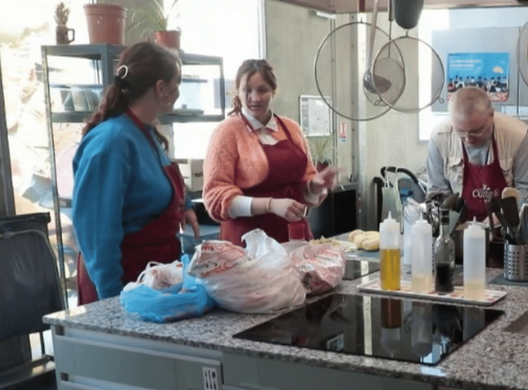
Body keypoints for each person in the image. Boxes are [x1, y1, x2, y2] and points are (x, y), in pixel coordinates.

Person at [72, 42, 199, 305]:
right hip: (122, 283)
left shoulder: (147, 133)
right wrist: (112, 302)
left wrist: (182, 205)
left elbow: (155, 182)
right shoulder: (111, 143)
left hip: (152, 278)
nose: (177, 93)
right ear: (161, 89)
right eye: (176, 85)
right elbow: (97, 236)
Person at [203, 59, 337, 245]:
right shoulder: (227, 132)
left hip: (293, 236)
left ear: (273, 91)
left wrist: (315, 186)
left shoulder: (292, 129)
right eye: (247, 90)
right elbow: (215, 198)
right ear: (237, 92)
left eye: (262, 90)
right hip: (247, 243)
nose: (255, 98)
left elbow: (302, 190)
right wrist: (270, 205)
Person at [426, 86, 528, 222]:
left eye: (476, 131)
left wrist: (499, 219)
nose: (468, 139)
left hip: (508, 234)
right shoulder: (440, 137)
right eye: (460, 132)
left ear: (491, 115)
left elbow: (526, 193)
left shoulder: (517, 136)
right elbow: (438, 194)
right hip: (460, 230)